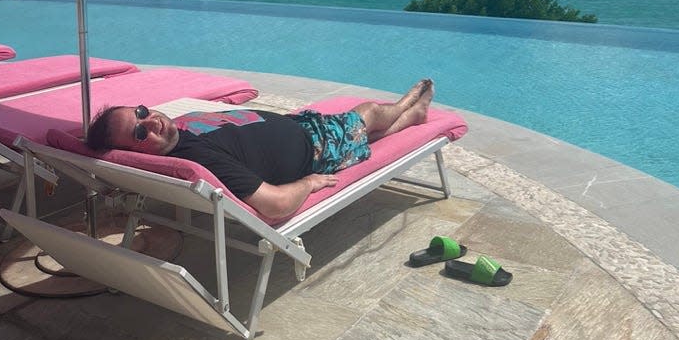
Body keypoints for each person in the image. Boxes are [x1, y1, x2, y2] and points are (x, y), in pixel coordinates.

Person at [86, 79, 435, 220]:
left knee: (365, 133)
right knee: (370, 112)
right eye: (138, 133)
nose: (151, 122)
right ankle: (407, 105)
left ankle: (412, 114)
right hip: (318, 147)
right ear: (140, 152)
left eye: (142, 113)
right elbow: (275, 204)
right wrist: (309, 185)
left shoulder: (182, 135)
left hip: (303, 127)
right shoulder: (197, 163)